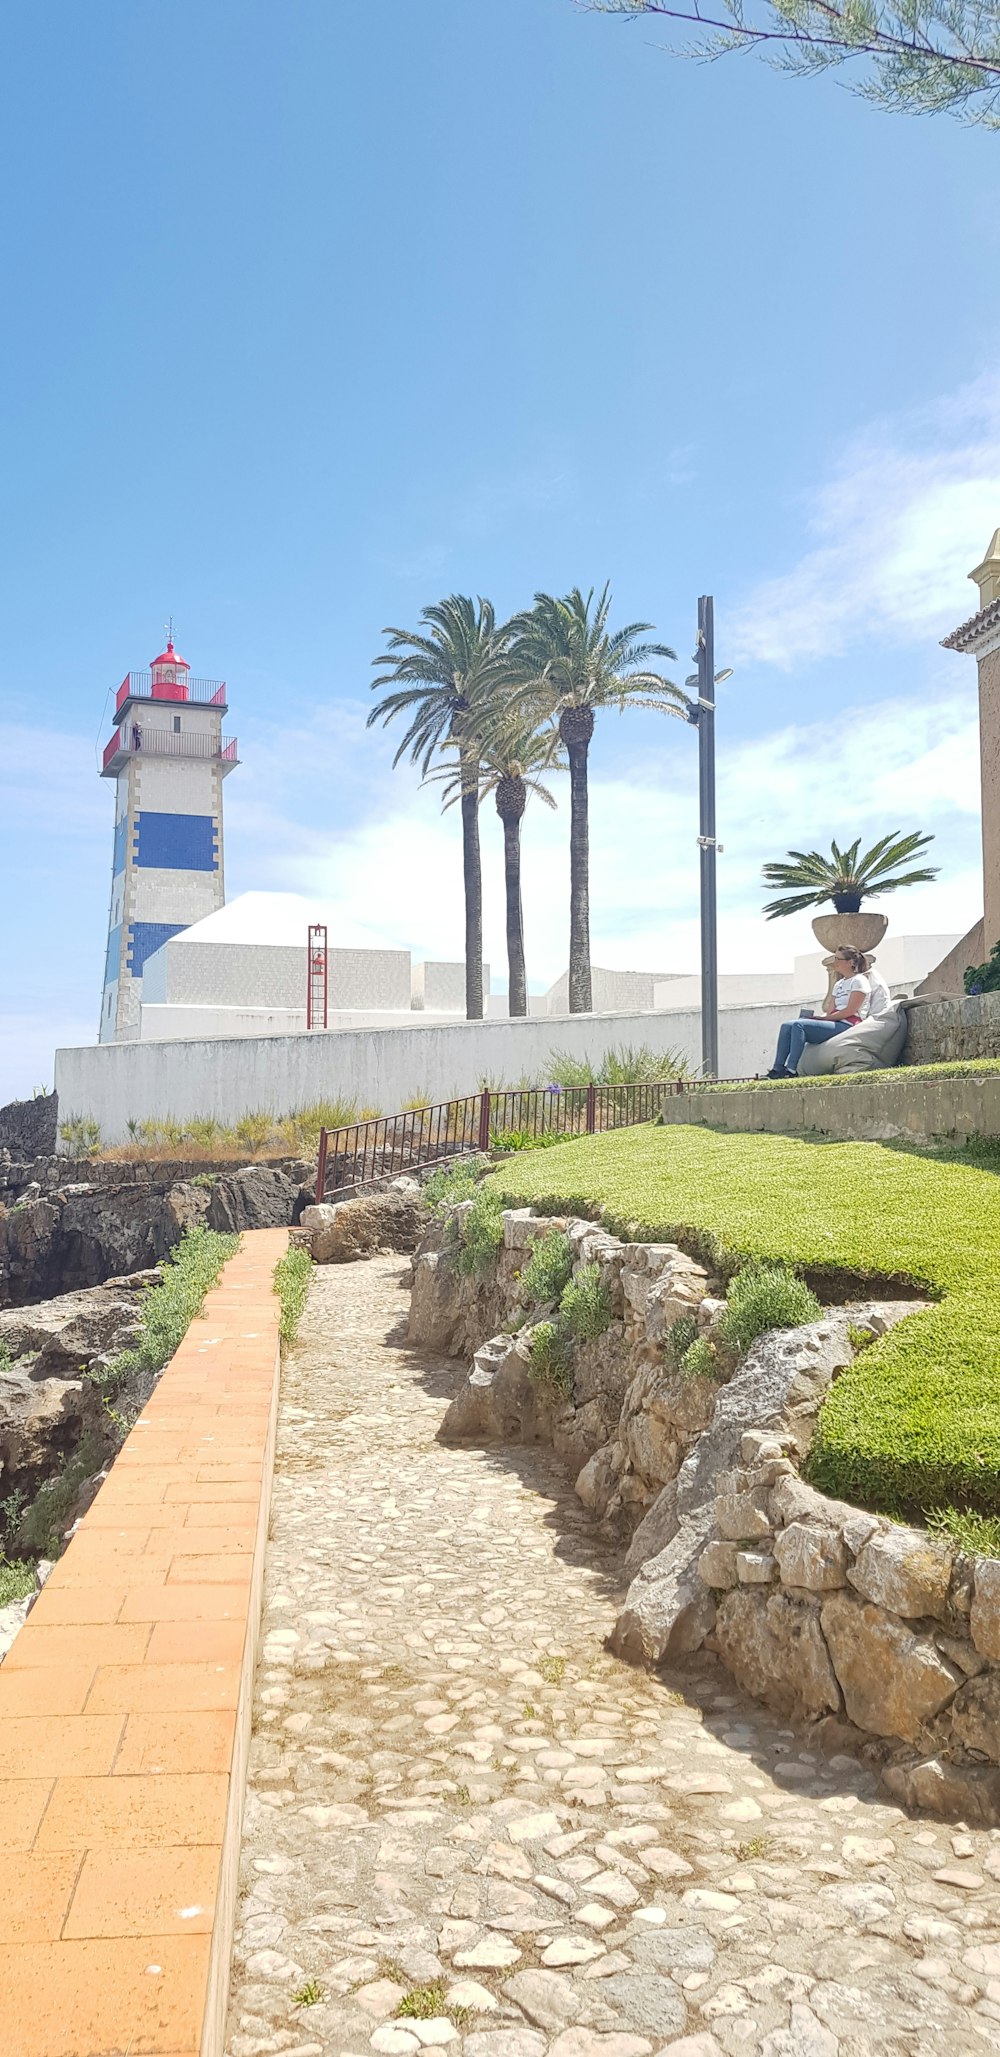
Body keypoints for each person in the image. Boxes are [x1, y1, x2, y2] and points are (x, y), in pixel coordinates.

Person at [767, 946, 871, 1078]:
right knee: (787, 1025)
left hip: (847, 1024)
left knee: (799, 1025)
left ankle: (791, 1069)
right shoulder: (839, 984)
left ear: (850, 962)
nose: (835, 962)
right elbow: (830, 1010)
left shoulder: (859, 981)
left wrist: (826, 1019)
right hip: (834, 1022)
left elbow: (851, 1010)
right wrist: (821, 1019)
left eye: (838, 959)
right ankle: (777, 1068)